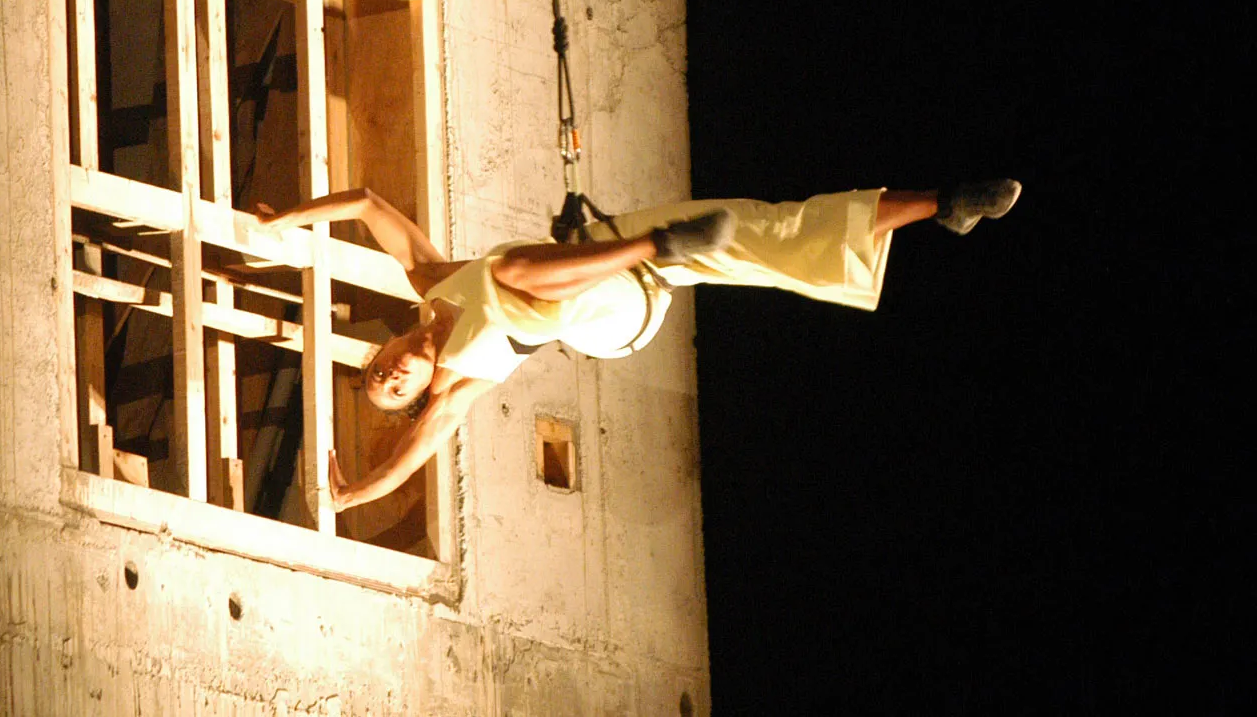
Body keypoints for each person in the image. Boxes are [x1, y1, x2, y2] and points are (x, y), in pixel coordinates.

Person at [254, 180, 1021, 513]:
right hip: (615, 312)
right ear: (418, 393)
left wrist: (282, 223)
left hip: (615, 249)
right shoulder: (456, 387)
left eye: (377, 370)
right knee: (519, 269)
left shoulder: (431, 279)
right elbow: (404, 460)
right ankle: (660, 242)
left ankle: (942, 205)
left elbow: (365, 201)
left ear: (387, 342)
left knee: (764, 227)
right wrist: (356, 493)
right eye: (393, 391)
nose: (388, 375)